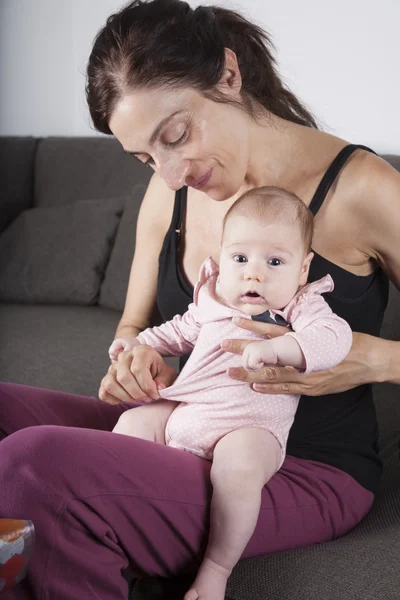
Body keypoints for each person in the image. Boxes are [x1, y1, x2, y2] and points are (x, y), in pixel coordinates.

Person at [1, 0, 400, 598]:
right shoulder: (170, 194)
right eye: (144, 157)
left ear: (228, 75)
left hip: (299, 465)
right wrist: (133, 362)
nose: (168, 172)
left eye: (177, 135)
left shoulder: (363, 189)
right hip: (188, 427)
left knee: (36, 463)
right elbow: (135, 327)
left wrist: (370, 359)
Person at [110, 186, 353, 600]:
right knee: (131, 423)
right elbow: (179, 331)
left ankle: (216, 568)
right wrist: (141, 343)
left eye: (275, 261)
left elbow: (335, 339)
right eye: (240, 258)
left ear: (302, 269)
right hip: (188, 411)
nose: (254, 274)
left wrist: (279, 347)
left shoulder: (299, 305)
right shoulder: (213, 296)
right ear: (222, 256)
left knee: (237, 473)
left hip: (251, 428)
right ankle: (120, 521)